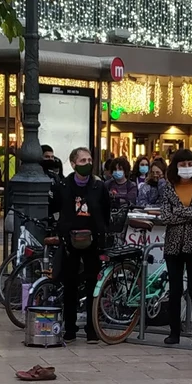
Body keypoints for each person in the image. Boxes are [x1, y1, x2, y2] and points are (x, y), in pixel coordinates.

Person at [51, 146, 111, 342]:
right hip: (70, 240)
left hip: (92, 240)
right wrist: (61, 231)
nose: (87, 164)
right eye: (83, 161)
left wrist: (102, 232)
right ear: (73, 163)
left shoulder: (99, 186)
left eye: (89, 160)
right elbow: (56, 208)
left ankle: (92, 329)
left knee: (93, 284)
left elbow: (106, 210)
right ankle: (70, 328)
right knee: (70, 285)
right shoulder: (63, 185)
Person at [155, 149, 192, 347]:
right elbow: (165, 215)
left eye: (190, 164)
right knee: (175, 289)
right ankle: (174, 333)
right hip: (173, 245)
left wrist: (178, 211)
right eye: (182, 164)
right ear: (175, 166)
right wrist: (190, 212)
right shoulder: (168, 187)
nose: (186, 168)